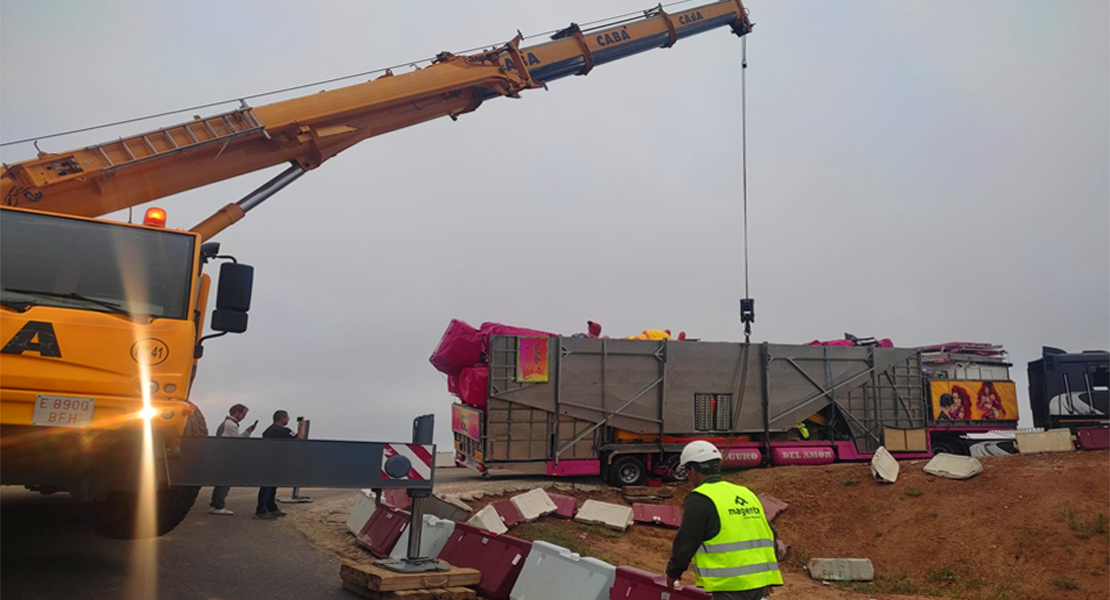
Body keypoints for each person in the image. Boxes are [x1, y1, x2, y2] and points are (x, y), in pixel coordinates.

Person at [666, 441, 783, 599]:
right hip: (758, 584)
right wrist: (767, 578)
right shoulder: (745, 493)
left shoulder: (700, 497)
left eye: (686, 471)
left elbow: (686, 541)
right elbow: (770, 535)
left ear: (692, 469)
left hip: (729, 586)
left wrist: (673, 573)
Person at [208, 403, 256, 515]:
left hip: (222, 457)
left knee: (221, 482)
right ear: (237, 413)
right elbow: (236, 442)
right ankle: (218, 506)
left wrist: (247, 432)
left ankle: (215, 505)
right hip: (226, 458)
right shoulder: (230, 425)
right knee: (224, 482)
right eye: (243, 414)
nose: (244, 417)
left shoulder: (227, 424)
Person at [255, 410, 297, 520]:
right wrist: (302, 426)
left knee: (272, 486)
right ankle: (261, 511)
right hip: (274, 462)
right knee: (268, 486)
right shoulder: (284, 431)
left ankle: (271, 507)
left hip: (269, 460)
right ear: (282, 418)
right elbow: (299, 439)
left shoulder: (268, 430)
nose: (288, 420)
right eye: (287, 417)